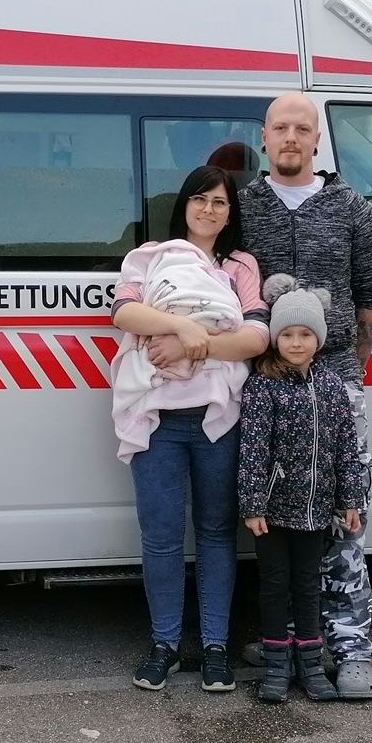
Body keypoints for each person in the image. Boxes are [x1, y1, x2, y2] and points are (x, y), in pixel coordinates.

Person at [230, 93, 372, 700]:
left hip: (336, 376)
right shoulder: (244, 207)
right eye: (280, 128)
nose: (291, 137)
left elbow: (370, 297)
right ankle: (290, 637)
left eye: (303, 128)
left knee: (344, 519)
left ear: (316, 139)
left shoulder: (351, 207)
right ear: (263, 137)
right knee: (275, 514)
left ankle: (348, 647)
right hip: (263, 381)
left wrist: (348, 373)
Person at [111, 164, 270, 693]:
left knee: (217, 534)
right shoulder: (153, 256)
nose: (209, 209)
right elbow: (125, 314)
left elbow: (255, 338)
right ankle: (164, 644)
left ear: (231, 214)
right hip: (157, 419)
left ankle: (216, 647)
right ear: (185, 204)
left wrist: (186, 344)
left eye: (221, 203)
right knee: (159, 537)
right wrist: (179, 324)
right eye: (201, 199)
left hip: (216, 421)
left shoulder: (242, 266)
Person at [237, 277, 367, 704]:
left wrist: (350, 499)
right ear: (275, 338)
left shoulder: (331, 385)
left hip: (317, 510)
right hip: (272, 513)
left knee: (309, 584)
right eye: (288, 334)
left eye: (305, 334)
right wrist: (253, 504)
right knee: (275, 584)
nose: (296, 342)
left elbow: (347, 445)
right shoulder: (262, 384)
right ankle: (276, 664)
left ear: (319, 339)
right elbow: (253, 448)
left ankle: (310, 665)